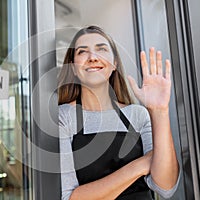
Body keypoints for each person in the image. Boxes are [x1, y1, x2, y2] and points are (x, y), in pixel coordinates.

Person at [58, 25, 180, 200]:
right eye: (82, 52)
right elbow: (69, 197)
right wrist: (139, 165)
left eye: (101, 49)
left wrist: (159, 111)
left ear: (114, 63)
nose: (93, 57)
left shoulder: (137, 115)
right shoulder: (63, 117)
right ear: (73, 68)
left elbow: (166, 187)